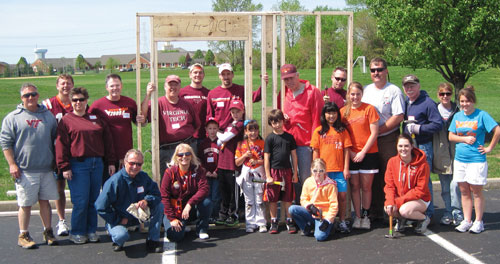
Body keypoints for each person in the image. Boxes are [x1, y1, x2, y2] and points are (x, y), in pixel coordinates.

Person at [55, 87, 116, 244]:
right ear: (71, 102)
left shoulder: (96, 119)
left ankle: (91, 230)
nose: (78, 103)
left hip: (97, 164)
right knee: (80, 201)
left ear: (86, 100)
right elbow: (61, 145)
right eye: (74, 100)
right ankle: (77, 231)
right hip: (77, 165)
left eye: (81, 99)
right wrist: (64, 166)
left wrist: (110, 161)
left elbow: (108, 141)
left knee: (93, 200)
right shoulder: (66, 120)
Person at [1, 83, 59, 248]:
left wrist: (56, 161)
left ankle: (48, 231)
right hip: (25, 170)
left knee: (45, 202)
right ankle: (23, 234)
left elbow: (56, 139)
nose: (31, 98)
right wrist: (12, 164)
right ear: (21, 98)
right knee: (25, 204)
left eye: (33, 94)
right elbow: (5, 143)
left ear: (38, 95)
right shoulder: (13, 117)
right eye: (27, 95)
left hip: (46, 168)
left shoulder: (47, 116)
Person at [448, 86, 500, 234]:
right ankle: (467, 220)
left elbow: (497, 130)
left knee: (476, 191)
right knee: (464, 191)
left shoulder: (481, 115)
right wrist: (464, 138)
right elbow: (451, 136)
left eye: (468, 101)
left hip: (476, 159)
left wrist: (489, 148)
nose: (465, 104)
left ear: (473, 101)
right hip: (460, 159)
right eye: (462, 101)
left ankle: (478, 221)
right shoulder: (458, 117)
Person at [361, 57, 405, 220]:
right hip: (369, 141)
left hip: (387, 138)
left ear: (386, 71)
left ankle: (390, 210)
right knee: (371, 175)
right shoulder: (366, 90)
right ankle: (373, 210)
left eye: (379, 69)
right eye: (373, 70)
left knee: (389, 175)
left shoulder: (393, 91)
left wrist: (378, 131)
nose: (376, 73)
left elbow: (398, 116)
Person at [95, 149, 163, 253]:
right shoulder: (114, 182)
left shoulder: (143, 177)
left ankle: (153, 240)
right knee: (121, 236)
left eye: (138, 164)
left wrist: (147, 201)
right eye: (132, 163)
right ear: (125, 162)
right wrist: (117, 220)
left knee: (159, 206)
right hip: (120, 218)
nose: (135, 167)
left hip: (137, 216)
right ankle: (115, 236)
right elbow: (100, 206)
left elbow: (156, 194)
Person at [279, 63, 324, 204]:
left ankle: (309, 208)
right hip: (288, 142)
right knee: (291, 177)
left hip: (305, 143)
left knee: (306, 177)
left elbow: (318, 118)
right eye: (286, 79)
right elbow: (277, 113)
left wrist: (314, 143)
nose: (289, 82)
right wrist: (283, 118)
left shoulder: (312, 92)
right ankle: (295, 208)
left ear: (298, 76)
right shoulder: (284, 93)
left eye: (291, 78)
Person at [89, 73, 146, 184]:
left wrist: (140, 119)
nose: (115, 88)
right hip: (106, 154)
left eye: (117, 85)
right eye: (112, 86)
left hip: (125, 153)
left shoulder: (129, 103)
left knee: (126, 183)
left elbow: (139, 122)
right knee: (109, 184)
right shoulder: (97, 106)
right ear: (106, 87)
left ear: (121, 86)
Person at [141, 75, 200, 178]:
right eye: (170, 85)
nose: (173, 87)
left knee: (190, 177)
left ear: (180, 87)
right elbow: (143, 115)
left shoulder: (186, 104)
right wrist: (148, 94)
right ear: (165, 87)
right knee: (168, 179)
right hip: (167, 149)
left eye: (175, 85)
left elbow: (196, 125)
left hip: (187, 147)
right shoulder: (158, 103)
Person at [402, 74, 442, 221]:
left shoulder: (427, 103)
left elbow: (438, 124)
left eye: (412, 85)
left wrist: (419, 128)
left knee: (423, 180)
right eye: (406, 86)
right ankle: (415, 211)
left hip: (423, 146)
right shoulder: (406, 102)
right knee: (411, 180)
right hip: (409, 148)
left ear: (419, 86)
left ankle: (428, 213)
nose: (409, 88)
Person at [341, 82, 380, 230]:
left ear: (362, 94)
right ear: (348, 95)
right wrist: (350, 152)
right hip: (351, 155)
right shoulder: (343, 112)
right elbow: (342, 134)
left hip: (368, 154)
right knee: (355, 187)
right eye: (352, 94)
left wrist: (363, 151)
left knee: (366, 187)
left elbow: (374, 132)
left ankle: (366, 216)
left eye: (358, 94)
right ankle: (357, 216)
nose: (355, 97)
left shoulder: (369, 109)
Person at [311, 102, 352, 233]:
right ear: (324, 115)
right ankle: (327, 220)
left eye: (334, 113)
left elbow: (346, 150)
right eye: (328, 113)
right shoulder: (318, 131)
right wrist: (316, 171)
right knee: (326, 197)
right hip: (324, 172)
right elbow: (315, 151)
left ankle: (342, 220)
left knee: (342, 196)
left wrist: (346, 168)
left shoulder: (342, 130)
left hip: (339, 170)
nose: (331, 116)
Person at [42, 74, 74, 236]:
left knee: (77, 190)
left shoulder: (78, 102)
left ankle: (78, 219)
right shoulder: (48, 105)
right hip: (57, 154)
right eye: (62, 83)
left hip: (75, 153)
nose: (66, 86)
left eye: (68, 83)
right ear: (57, 86)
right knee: (59, 188)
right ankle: (62, 221)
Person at [161, 143, 211, 241]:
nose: (184, 157)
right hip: (174, 209)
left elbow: (204, 188)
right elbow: (164, 196)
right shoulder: (169, 172)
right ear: (176, 157)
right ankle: (181, 226)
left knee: (206, 202)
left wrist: (189, 204)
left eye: (187, 154)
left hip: (189, 209)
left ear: (191, 155)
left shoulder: (198, 169)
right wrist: (172, 218)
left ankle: (202, 229)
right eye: (180, 155)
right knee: (174, 236)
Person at [384, 134, 432, 234]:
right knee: (388, 207)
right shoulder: (392, 162)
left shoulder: (422, 165)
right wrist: (390, 201)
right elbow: (389, 185)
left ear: (411, 146)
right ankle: (402, 220)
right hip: (401, 199)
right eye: (400, 146)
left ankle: (424, 218)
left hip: (420, 199)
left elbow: (420, 190)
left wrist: (399, 201)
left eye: (406, 146)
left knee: (404, 211)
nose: (403, 149)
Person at [432, 83, 463, 226]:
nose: (445, 96)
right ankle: (448, 212)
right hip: (441, 152)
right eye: (442, 94)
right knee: (445, 186)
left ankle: (457, 212)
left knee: (455, 185)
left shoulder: (458, 110)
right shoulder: (433, 110)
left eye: (448, 94)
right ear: (438, 95)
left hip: (457, 151)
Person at [264, 109, 298, 234]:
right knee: (273, 198)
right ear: (270, 123)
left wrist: (295, 173)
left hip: (287, 171)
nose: (277, 125)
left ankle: (289, 220)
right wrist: (268, 175)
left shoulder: (289, 138)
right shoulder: (270, 139)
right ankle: (274, 221)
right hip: (274, 172)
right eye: (274, 122)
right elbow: (266, 157)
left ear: (283, 121)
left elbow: (294, 156)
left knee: (288, 198)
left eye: (279, 122)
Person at [289, 159, 338, 241]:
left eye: (321, 171)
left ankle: (330, 225)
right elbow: (303, 198)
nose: (318, 174)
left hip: (323, 216)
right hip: (312, 212)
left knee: (319, 237)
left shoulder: (330, 185)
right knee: (292, 209)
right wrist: (309, 206)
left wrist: (328, 220)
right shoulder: (308, 182)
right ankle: (306, 227)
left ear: (325, 171)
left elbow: (334, 205)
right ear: (311, 170)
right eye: (315, 171)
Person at [214, 99, 245, 227]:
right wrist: (220, 135)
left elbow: (223, 138)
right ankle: (223, 213)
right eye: (232, 112)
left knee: (233, 192)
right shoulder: (230, 124)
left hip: (233, 163)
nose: (235, 114)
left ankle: (234, 214)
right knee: (224, 190)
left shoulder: (239, 125)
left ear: (242, 111)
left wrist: (216, 132)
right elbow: (219, 143)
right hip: (223, 162)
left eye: (237, 111)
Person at [206, 63, 263, 131]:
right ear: (219, 76)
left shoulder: (241, 90)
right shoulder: (212, 94)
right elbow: (209, 116)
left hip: (238, 132)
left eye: (228, 74)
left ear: (232, 75)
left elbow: (256, 97)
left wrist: (263, 83)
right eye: (223, 74)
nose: (226, 77)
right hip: (220, 133)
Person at [235, 120, 267, 233]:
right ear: (246, 131)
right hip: (247, 174)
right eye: (250, 130)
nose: (253, 132)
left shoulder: (262, 143)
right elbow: (237, 163)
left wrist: (257, 161)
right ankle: (250, 223)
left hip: (258, 173)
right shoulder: (241, 144)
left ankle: (261, 222)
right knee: (249, 201)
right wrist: (244, 156)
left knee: (259, 199)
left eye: (255, 130)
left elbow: (267, 161)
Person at [179, 63, 210, 146]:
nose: (198, 75)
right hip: (187, 137)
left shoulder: (208, 93)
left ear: (203, 75)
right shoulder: (182, 93)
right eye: (195, 72)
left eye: (200, 72)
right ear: (190, 74)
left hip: (203, 135)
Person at [198, 117, 221, 223]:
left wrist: (217, 171)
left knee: (216, 195)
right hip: (206, 174)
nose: (212, 131)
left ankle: (215, 215)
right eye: (210, 128)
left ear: (218, 129)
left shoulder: (220, 143)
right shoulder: (203, 144)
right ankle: (207, 215)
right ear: (206, 129)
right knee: (207, 195)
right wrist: (205, 171)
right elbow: (199, 160)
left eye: (215, 128)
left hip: (216, 174)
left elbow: (222, 159)